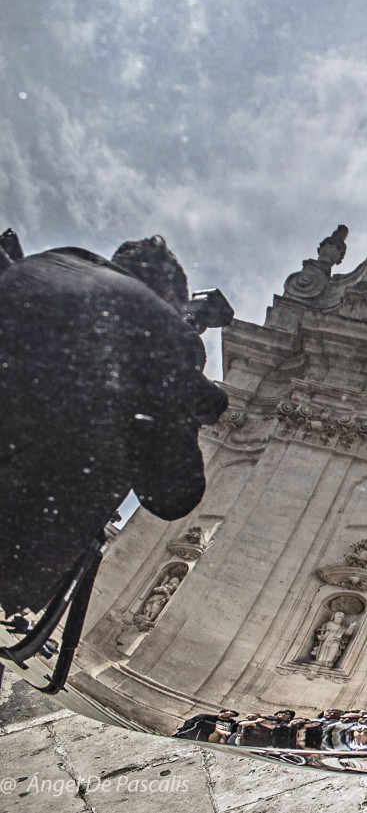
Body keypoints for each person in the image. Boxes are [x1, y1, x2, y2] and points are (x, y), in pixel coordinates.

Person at [0, 236, 228, 616]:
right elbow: (173, 494)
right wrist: (187, 404)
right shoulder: (168, 334)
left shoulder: (35, 267)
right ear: (171, 297)